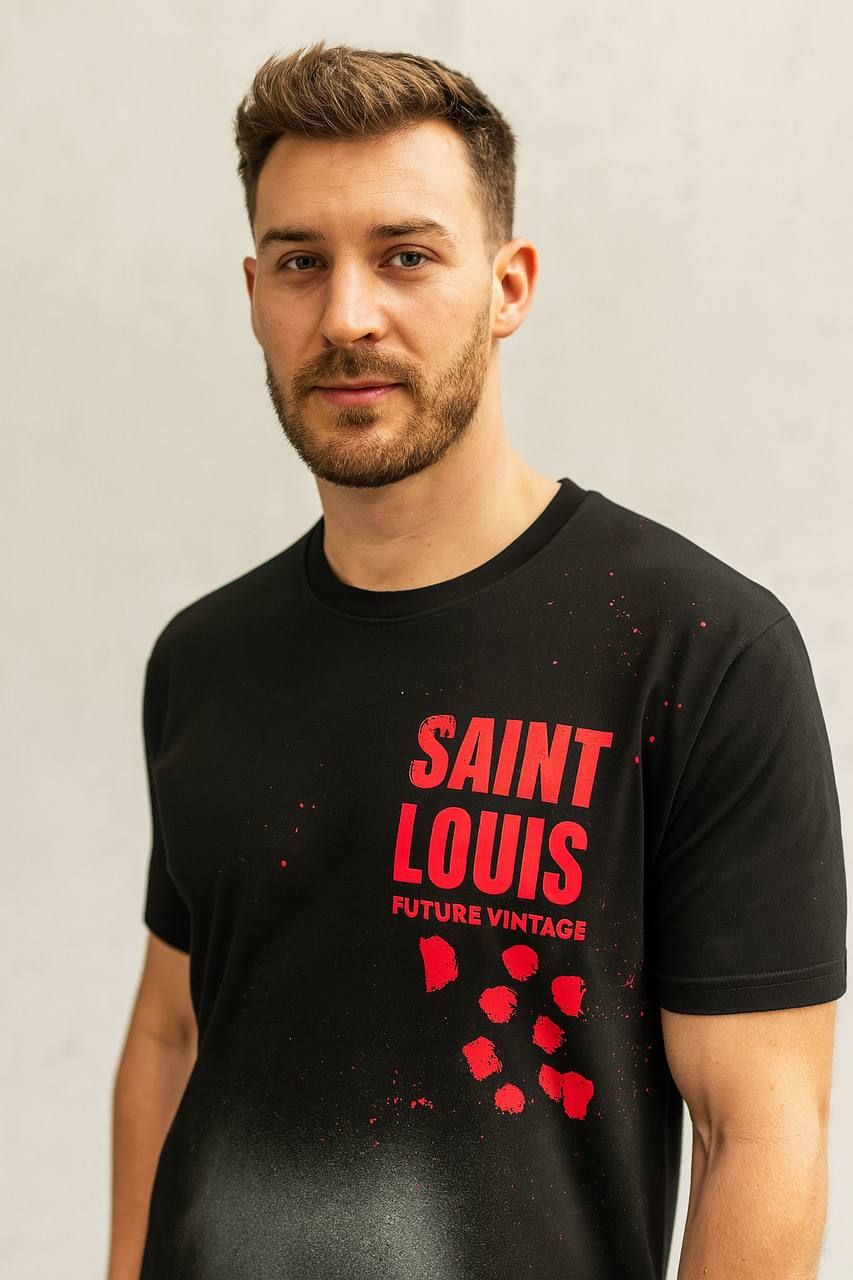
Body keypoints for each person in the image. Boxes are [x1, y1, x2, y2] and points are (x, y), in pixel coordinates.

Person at [107, 40, 847, 1280]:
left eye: (405, 255)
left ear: (508, 286)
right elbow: (172, 1033)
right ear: (252, 291)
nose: (347, 315)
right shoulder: (204, 658)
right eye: (300, 261)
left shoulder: (698, 652)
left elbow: (760, 1129)